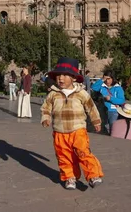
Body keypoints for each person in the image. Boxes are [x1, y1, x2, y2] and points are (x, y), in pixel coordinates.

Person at [40, 57, 104, 190]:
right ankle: (70, 177)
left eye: (65, 75)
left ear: (74, 78)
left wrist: (96, 121)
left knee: (83, 152)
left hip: (78, 129)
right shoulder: (53, 94)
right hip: (59, 131)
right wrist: (46, 118)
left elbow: (91, 107)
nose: (60, 78)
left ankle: (93, 175)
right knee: (64, 156)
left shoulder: (81, 93)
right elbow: (46, 108)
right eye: (58, 75)